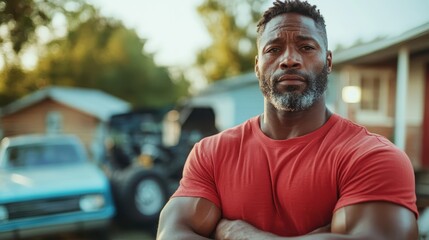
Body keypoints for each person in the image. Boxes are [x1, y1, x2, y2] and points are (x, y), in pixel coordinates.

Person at [156, 0, 419, 239]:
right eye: (274, 49)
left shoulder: (373, 157)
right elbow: (172, 233)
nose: (290, 60)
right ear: (258, 65)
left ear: (328, 62)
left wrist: (238, 234)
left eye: (306, 47)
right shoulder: (211, 153)